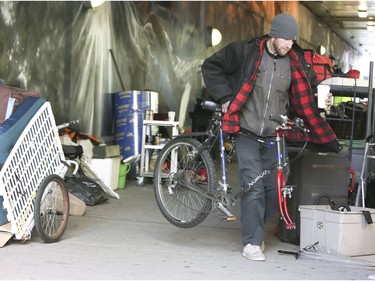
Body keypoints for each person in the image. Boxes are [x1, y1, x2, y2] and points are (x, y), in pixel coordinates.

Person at [201, 12, 341, 261]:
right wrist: (224, 98)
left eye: (293, 40)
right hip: (245, 129)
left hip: (275, 134)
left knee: (277, 187)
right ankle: (252, 242)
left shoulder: (296, 61)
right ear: (274, 35)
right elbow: (210, 66)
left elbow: (309, 94)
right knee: (253, 185)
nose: (290, 44)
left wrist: (324, 102)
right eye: (286, 39)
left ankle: (257, 225)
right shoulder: (245, 52)